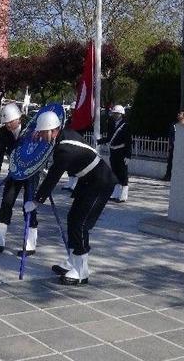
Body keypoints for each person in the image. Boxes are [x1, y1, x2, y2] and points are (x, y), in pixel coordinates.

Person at [32, 111, 117, 286]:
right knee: (72, 218)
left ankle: (81, 271)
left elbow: (53, 177)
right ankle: (72, 261)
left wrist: (36, 200)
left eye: (42, 132)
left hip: (100, 183)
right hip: (88, 181)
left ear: (52, 130)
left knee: (81, 224)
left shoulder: (64, 149)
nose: (41, 135)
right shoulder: (64, 135)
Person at [0, 103, 39, 256]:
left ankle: (30, 245)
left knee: (29, 205)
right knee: (6, 202)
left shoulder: (32, 128)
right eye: (5, 123)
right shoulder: (4, 131)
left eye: (10, 122)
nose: (7, 125)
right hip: (15, 171)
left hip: (31, 171)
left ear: (18, 119)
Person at [98, 105, 131, 203]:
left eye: (117, 113)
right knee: (115, 173)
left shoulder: (126, 125)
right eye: (114, 113)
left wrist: (128, 155)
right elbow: (110, 137)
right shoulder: (111, 123)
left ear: (121, 114)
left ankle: (123, 196)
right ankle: (116, 194)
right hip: (113, 151)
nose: (115, 115)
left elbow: (129, 141)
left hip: (121, 151)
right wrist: (99, 141)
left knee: (123, 174)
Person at [162, 111, 184, 182]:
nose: (178, 114)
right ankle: (168, 175)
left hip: (182, 147)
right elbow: (170, 135)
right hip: (173, 146)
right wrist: (170, 144)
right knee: (170, 161)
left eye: (180, 114)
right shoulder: (174, 124)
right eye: (178, 114)